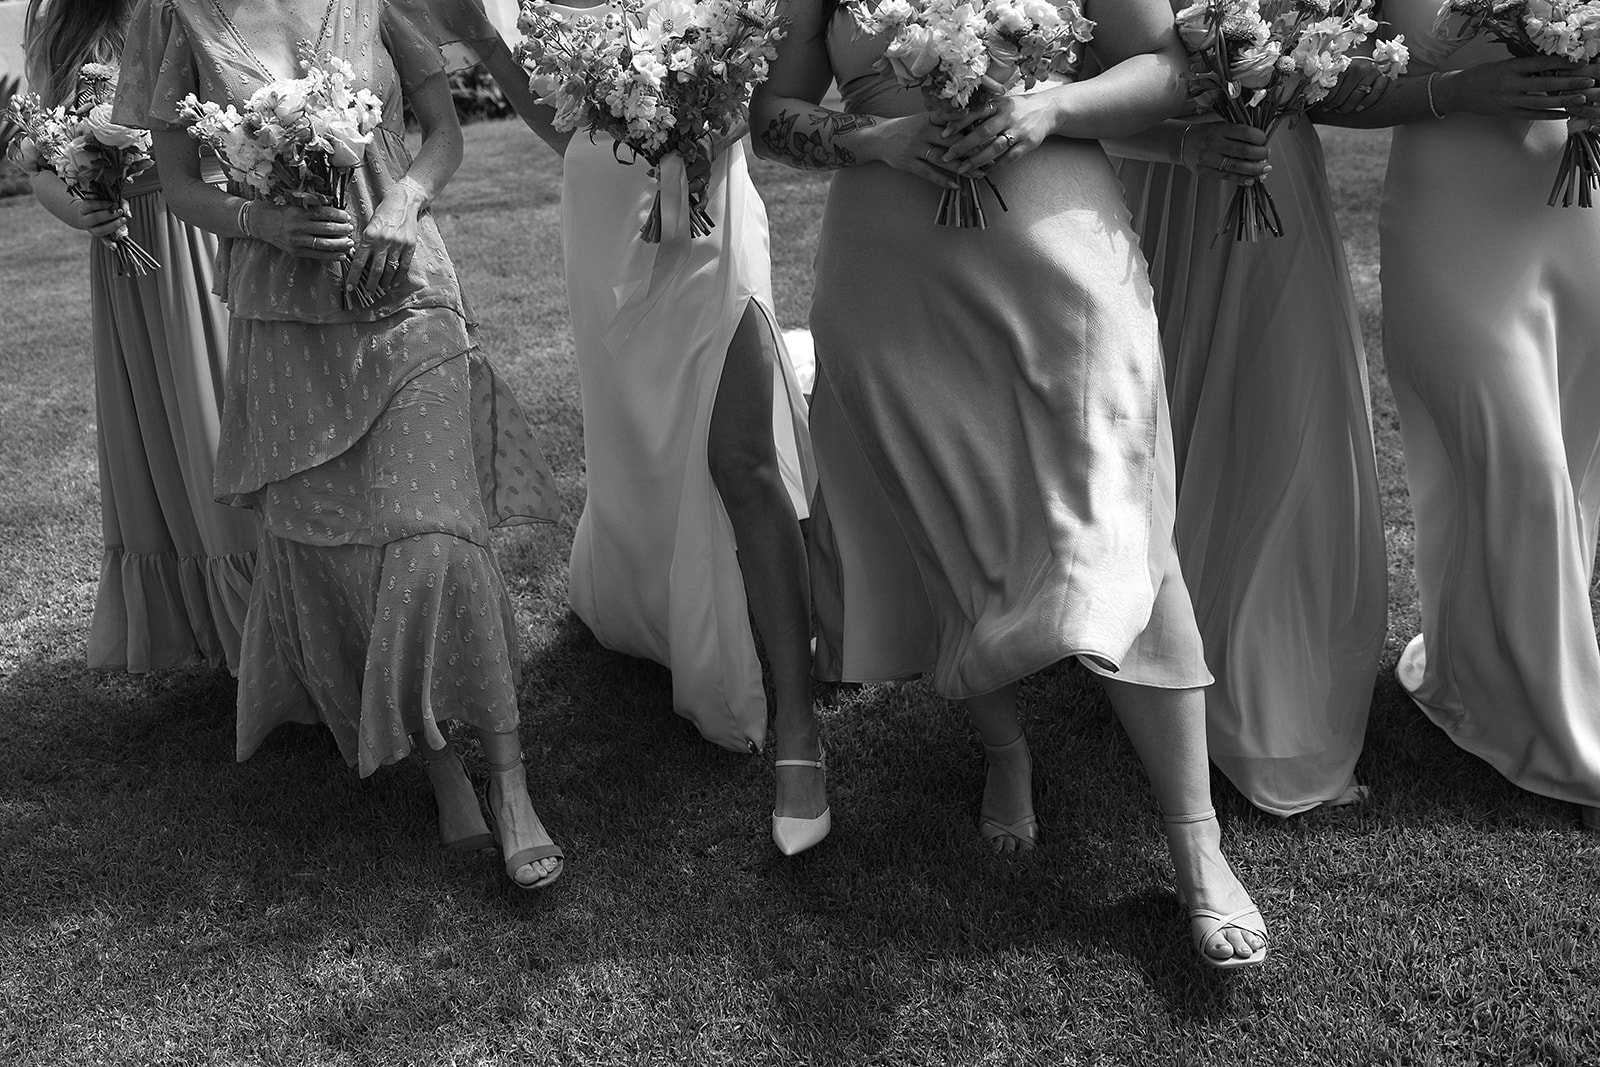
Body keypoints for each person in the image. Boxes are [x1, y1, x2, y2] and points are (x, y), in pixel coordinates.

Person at [752, 0, 1267, 964]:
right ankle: (1003, 751)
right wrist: (880, 136)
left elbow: (1167, 67)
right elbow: (771, 111)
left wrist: (1049, 109)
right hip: (891, 274)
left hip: (1062, 252)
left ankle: (1196, 841)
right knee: (945, 525)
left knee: (1118, 513)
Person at [113, 0, 567, 887]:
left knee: (438, 540)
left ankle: (510, 782)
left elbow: (440, 132)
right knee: (349, 558)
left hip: (408, 291)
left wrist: (406, 196)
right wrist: (262, 223)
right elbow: (176, 181)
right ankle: (440, 763)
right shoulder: (181, 19)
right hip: (285, 321)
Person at [414, 0, 829, 854]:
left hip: (711, 208)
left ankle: (798, 725)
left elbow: (765, 70)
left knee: (740, 454)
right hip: (605, 217)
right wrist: (490, 43)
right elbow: (564, 124)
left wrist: (692, 145)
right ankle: (664, 611)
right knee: (637, 431)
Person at [1321, 0, 1600, 829]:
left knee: (1574, 454)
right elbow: (1328, 89)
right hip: (1450, 218)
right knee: (1526, 464)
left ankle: (1479, 671)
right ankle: (1573, 743)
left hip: (1574, 215)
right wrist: (1464, 89)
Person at [1103, 44, 1391, 817]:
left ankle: (1284, 705)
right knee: (1166, 421)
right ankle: (1174, 654)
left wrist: (1302, 64)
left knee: (1291, 417)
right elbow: (1067, 82)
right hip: (1166, 177)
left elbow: (1354, 67)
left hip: (1276, 169)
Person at [21, 0, 256, 675]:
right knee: (167, 426)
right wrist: (83, 205)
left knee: (222, 419)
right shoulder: (58, 37)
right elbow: (40, 164)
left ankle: (275, 617)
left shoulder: (192, 10)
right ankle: (216, 623)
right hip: (126, 252)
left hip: (205, 232)